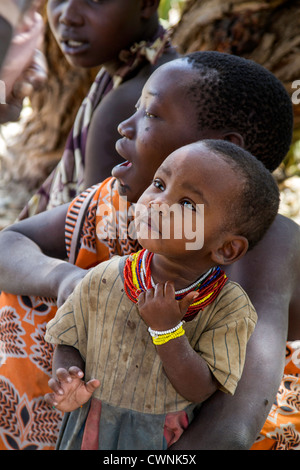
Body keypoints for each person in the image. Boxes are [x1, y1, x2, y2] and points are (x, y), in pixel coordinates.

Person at [0, 51, 298, 450]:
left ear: (221, 146)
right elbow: (8, 243)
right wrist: (66, 279)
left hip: (207, 433)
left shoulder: (259, 245)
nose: (126, 126)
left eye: (152, 115)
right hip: (110, 413)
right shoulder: (127, 205)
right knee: (27, 296)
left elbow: (235, 425)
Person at [44, 139, 280, 449]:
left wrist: (167, 331)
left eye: (186, 203)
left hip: (158, 439)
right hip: (88, 425)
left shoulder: (228, 308)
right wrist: (67, 376)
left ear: (226, 248)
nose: (157, 202)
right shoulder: (106, 276)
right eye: (159, 183)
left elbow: (201, 389)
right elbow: (69, 337)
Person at [18, 0, 177, 219]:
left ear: (147, 4)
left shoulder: (127, 104)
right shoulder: (153, 72)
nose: (68, 16)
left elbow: (90, 232)